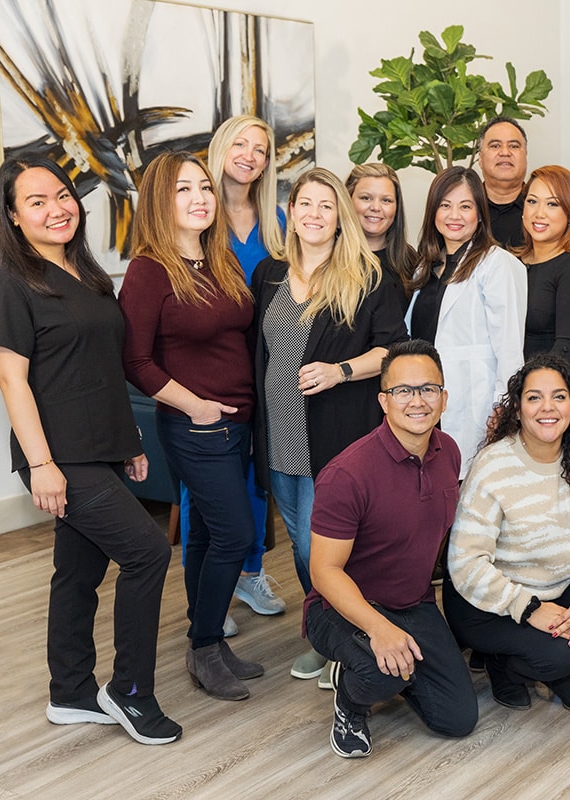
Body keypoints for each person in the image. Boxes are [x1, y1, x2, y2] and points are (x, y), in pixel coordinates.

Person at [0, 156, 180, 745]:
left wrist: (129, 441)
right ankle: (131, 691)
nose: (56, 208)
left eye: (62, 195)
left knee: (78, 571)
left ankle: (70, 692)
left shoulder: (89, 276)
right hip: (59, 456)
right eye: (36, 201)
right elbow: (12, 382)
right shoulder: (10, 287)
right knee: (148, 553)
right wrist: (41, 465)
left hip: (101, 449)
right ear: (13, 217)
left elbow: (103, 370)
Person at [251, 167, 408, 681]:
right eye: (306, 204)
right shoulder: (268, 274)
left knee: (324, 546)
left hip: (337, 434)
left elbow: (392, 351)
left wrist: (340, 370)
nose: (315, 214)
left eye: (326, 205)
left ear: (341, 217)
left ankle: (348, 636)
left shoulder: (369, 276)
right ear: (290, 212)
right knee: (301, 543)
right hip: (279, 435)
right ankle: (325, 630)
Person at [120, 151, 263, 701]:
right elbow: (134, 360)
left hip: (238, 424)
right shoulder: (149, 270)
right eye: (184, 189)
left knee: (204, 532)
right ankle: (204, 647)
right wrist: (195, 406)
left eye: (204, 187)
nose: (200, 198)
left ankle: (208, 641)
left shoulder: (219, 259)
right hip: (196, 428)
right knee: (237, 534)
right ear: (160, 200)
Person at [304, 340, 477, 758]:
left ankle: (397, 669)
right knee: (381, 675)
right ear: (383, 401)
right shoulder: (347, 474)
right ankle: (351, 698)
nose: (417, 401)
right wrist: (378, 630)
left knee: (457, 719)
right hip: (341, 607)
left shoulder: (449, 452)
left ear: (444, 398)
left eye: (428, 389)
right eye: (403, 391)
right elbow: (324, 572)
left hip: (413, 603)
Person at [444, 355, 570, 713]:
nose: (547, 407)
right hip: (489, 603)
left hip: (559, 587)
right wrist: (529, 608)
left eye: (559, 396)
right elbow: (466, 564)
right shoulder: (494, 465)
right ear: (518, 409)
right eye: (534, 397)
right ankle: (508, 664)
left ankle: (548, 664)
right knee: (557, 657)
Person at [207, 115, 288, 624]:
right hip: (212, 363)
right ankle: (208, 590)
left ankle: (250, 571)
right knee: (210, 481)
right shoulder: (200, 212)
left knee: (258, 472)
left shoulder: (277, 218)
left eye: (260, 149)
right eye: (241, 144)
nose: (250, 156)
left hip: (266, 362)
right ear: (222, 148)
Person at [406, 166, 527, 476]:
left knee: (468, 489)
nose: (454, 215)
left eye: (465, 206)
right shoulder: (426, 267)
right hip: (425, 402)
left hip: (475, 405)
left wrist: (503, 407)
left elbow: (509, 348)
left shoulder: (497, 264)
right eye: (445, 205)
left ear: (480, 214)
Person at [513, 165, 570, 393]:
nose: (539, 213)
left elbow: (568, 348)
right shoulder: (510, 263)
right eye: (532, 201)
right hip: (518, 389)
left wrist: (533, 391)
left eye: (552, 204)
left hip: (558, 393)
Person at [346, 162, 417, 295]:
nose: (376, 207)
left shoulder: (410, 260)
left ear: (396, 207)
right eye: (366, 198)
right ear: (348, 200)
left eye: (386, 200)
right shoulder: (328, 257)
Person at [477, 116, 529, 248]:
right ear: (480, 159)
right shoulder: (463, 209)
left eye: (514, 146)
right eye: (495, 146)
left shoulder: (542, 210)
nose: (505, 152)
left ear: (525, 157)